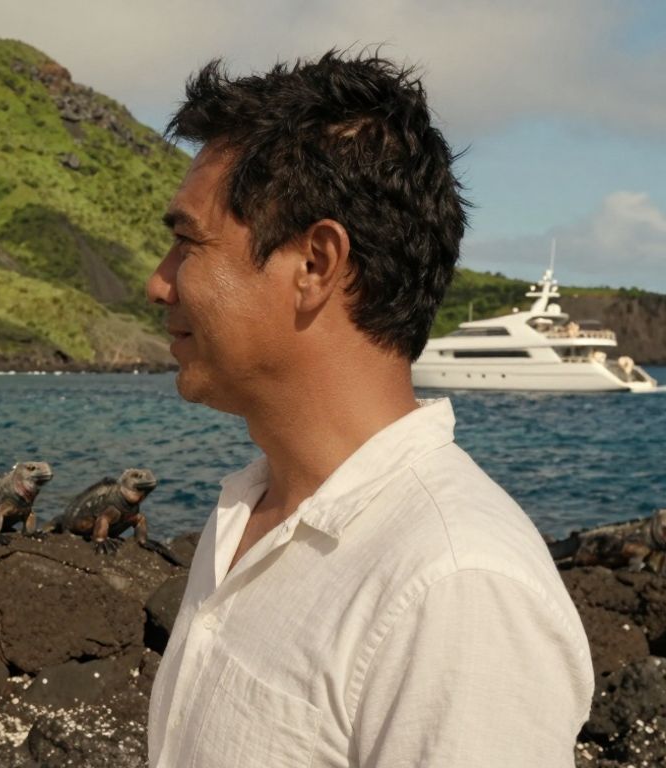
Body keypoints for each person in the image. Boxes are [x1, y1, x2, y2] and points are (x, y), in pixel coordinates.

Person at [145, 52, 593, 767]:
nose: (158, 283)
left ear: (316, 265)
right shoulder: (250, 510)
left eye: (187, 243)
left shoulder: (457, 589)